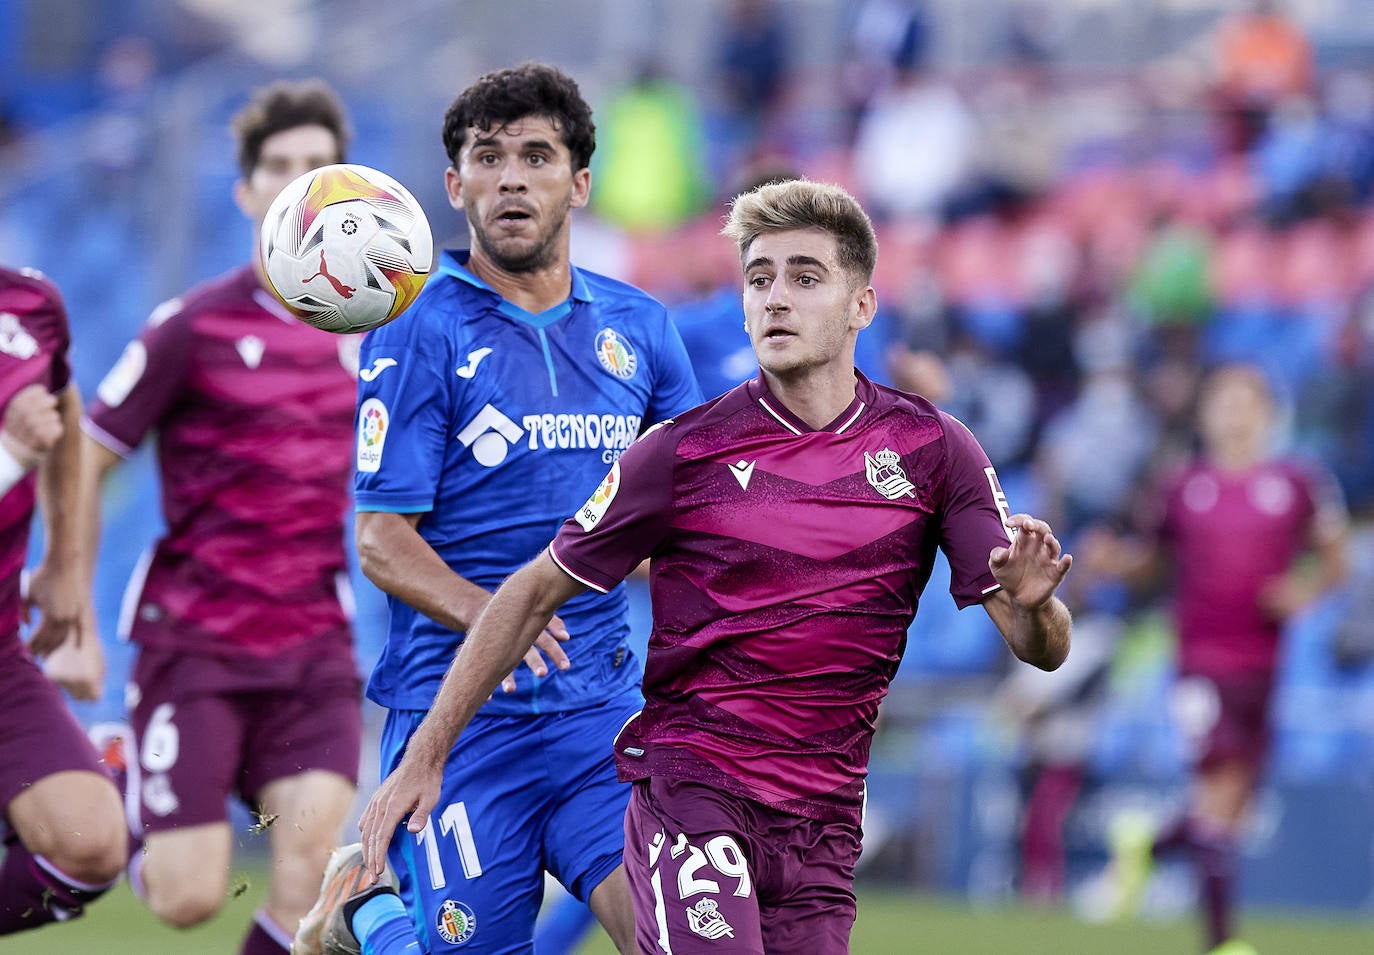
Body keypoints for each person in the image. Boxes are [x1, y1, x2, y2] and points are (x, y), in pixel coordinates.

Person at [355, 178, 1073, 954]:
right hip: (694, 794)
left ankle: (370, 924)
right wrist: (423, 756)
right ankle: (376, 911)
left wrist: (1036, 608)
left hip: (822, 825)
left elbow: (1042, 649)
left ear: (862, 304)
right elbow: (533, 589)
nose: (775, 298)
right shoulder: (683, 451)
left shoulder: (934, 449)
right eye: (759, 278)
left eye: (805, 277)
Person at [291, 62, 702, 955]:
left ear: (579, 183)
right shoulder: (416, 326)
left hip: (602, 715)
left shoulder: (642, 330)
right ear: (455, 185)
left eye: (537, 155)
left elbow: (685, 523)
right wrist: (497, 617)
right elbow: (382, 542)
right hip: (462, 722)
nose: (511, 175)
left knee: (679, 937)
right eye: (488, 156)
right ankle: (367, 909)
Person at [71, 80, 365, 955]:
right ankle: (121, 780)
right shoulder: (190, 327)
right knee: (189, 897)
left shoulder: (376, 329)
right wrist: (73, 607)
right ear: (245, 191)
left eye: (319, 167)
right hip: (195, 647)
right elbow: (86, 460)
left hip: (314, 651)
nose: (297, 182)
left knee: (316, 880)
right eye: (280, 166)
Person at [1086, 363, 1347, 954]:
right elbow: (1147, 563)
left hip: (1264, 667)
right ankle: (1222, 944)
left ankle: (1145, 847)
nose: (1233, 411)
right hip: (1201, 664)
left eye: (1245, 401)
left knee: (1229, 811)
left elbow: (1335, 560)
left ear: (1267, 413)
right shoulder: (1183, 487)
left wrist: (1302, 593)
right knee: (1220, 796)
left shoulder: (1298, 484)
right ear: (1205, 414)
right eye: (1222, 400)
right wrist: (1113, 563)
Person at [0, 266, 127, 934]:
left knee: (91, 841)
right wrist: (9, 456)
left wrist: (65, 567)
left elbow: (63, 405)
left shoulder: (30, 301)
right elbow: (26, 438)